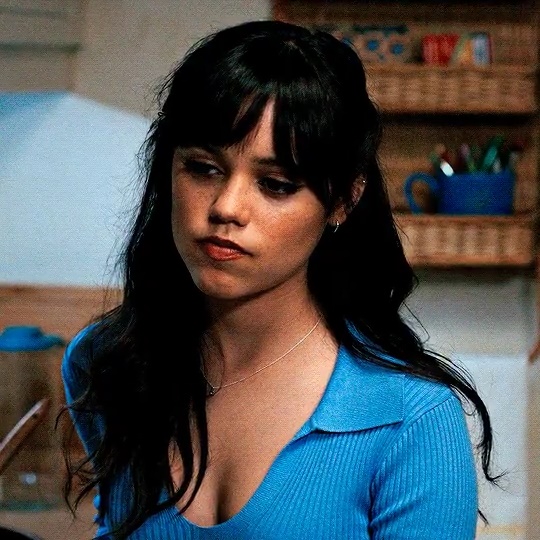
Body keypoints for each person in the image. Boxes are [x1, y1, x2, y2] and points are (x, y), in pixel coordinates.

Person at [61, 19, 501, 540]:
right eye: (202, 168)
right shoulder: (107, 364)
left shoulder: (409, 420)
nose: (226, 207)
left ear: (343, 200)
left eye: (275, 184)